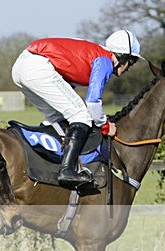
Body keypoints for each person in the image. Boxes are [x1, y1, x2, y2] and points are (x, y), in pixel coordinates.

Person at [11, 30, 143, 189]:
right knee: (82, 116)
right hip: (37, 67)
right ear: (122, 57)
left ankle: (48, 163)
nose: (130, 68)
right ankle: (66, 170)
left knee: (57, 117)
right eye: (132, 61)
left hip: (21, 67)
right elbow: (93, 103)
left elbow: (66, 87)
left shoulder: (96, 55)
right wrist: (106, 126)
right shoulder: (105, 61)